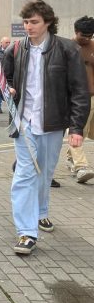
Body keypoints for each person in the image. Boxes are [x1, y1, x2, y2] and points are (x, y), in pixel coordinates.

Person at [3, 0, 89, 255]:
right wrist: (9, 87)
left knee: (45, 172)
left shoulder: (67, 49)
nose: (28, 27)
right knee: (25, 175)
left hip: (52, 122)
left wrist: (76, 129)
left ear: (48, 22)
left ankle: (40, 212)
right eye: (26, 22)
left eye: (34, 22)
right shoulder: (17, 48)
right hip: (24, 121)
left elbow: (79, 91)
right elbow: (0, 71)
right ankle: (27, 232)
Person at [65, 17, 94, 184]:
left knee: (83, 132)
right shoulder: (67, 47)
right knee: (77, 130)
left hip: (92, 95)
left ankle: (71, 158)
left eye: (91, 35)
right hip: (75, 98)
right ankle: (81, 166)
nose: (88, 39)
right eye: (84, 35)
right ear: (76, 32)